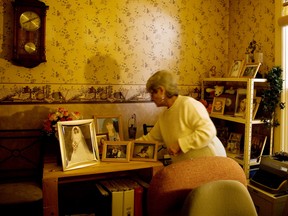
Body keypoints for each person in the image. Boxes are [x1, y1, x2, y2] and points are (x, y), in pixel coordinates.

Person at [136, 70, 226, 163]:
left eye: (152, 93)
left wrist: (180, 144)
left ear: (161, 90)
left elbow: (208, 132)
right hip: (191, 168)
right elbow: (149, 139)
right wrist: (126, 147)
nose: (151, 98)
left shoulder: (188, 104)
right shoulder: (164, 117)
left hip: (212, 163)